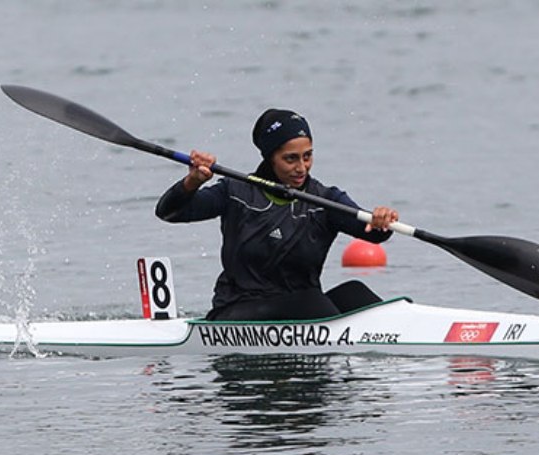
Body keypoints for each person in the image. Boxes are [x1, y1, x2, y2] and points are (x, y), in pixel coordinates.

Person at [155, 108, 399, 321]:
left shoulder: (324, 199)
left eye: (307, 156)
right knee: (311, 302)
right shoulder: (235, 192)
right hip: (237, 310)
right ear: (270, 158)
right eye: (290, 159)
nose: (301, 167)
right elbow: (169, 212)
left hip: (306, 309)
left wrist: (379, 222)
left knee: (355, 293)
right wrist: (192, 182)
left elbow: (373, 235)